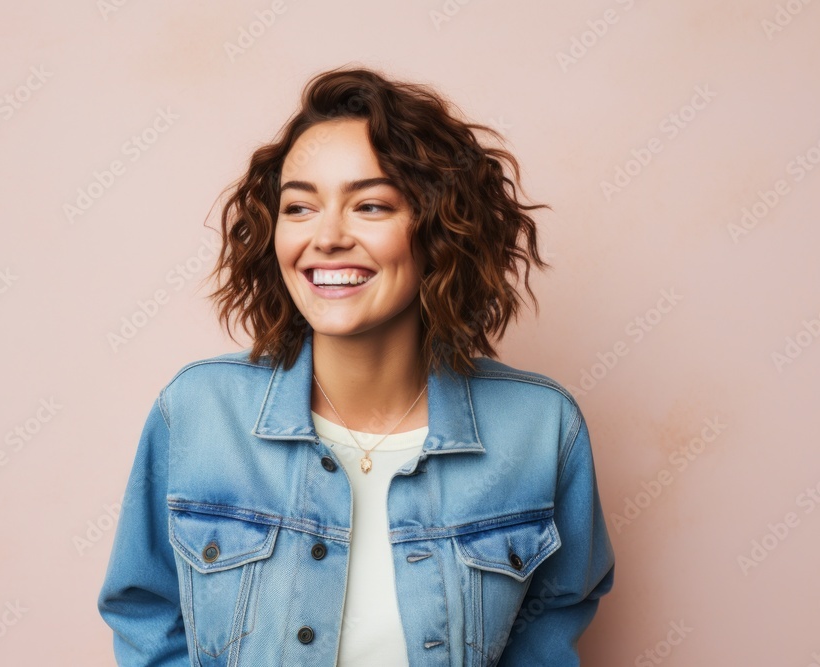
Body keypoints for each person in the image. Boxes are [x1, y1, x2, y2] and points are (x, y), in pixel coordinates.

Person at [98, 64, 615, 666]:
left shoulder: (541, 428)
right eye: (299, 208)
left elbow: (549, 629)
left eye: (369, 205)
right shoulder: (197, 413)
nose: (327, 237)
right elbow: (146, 617)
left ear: (440, 227)